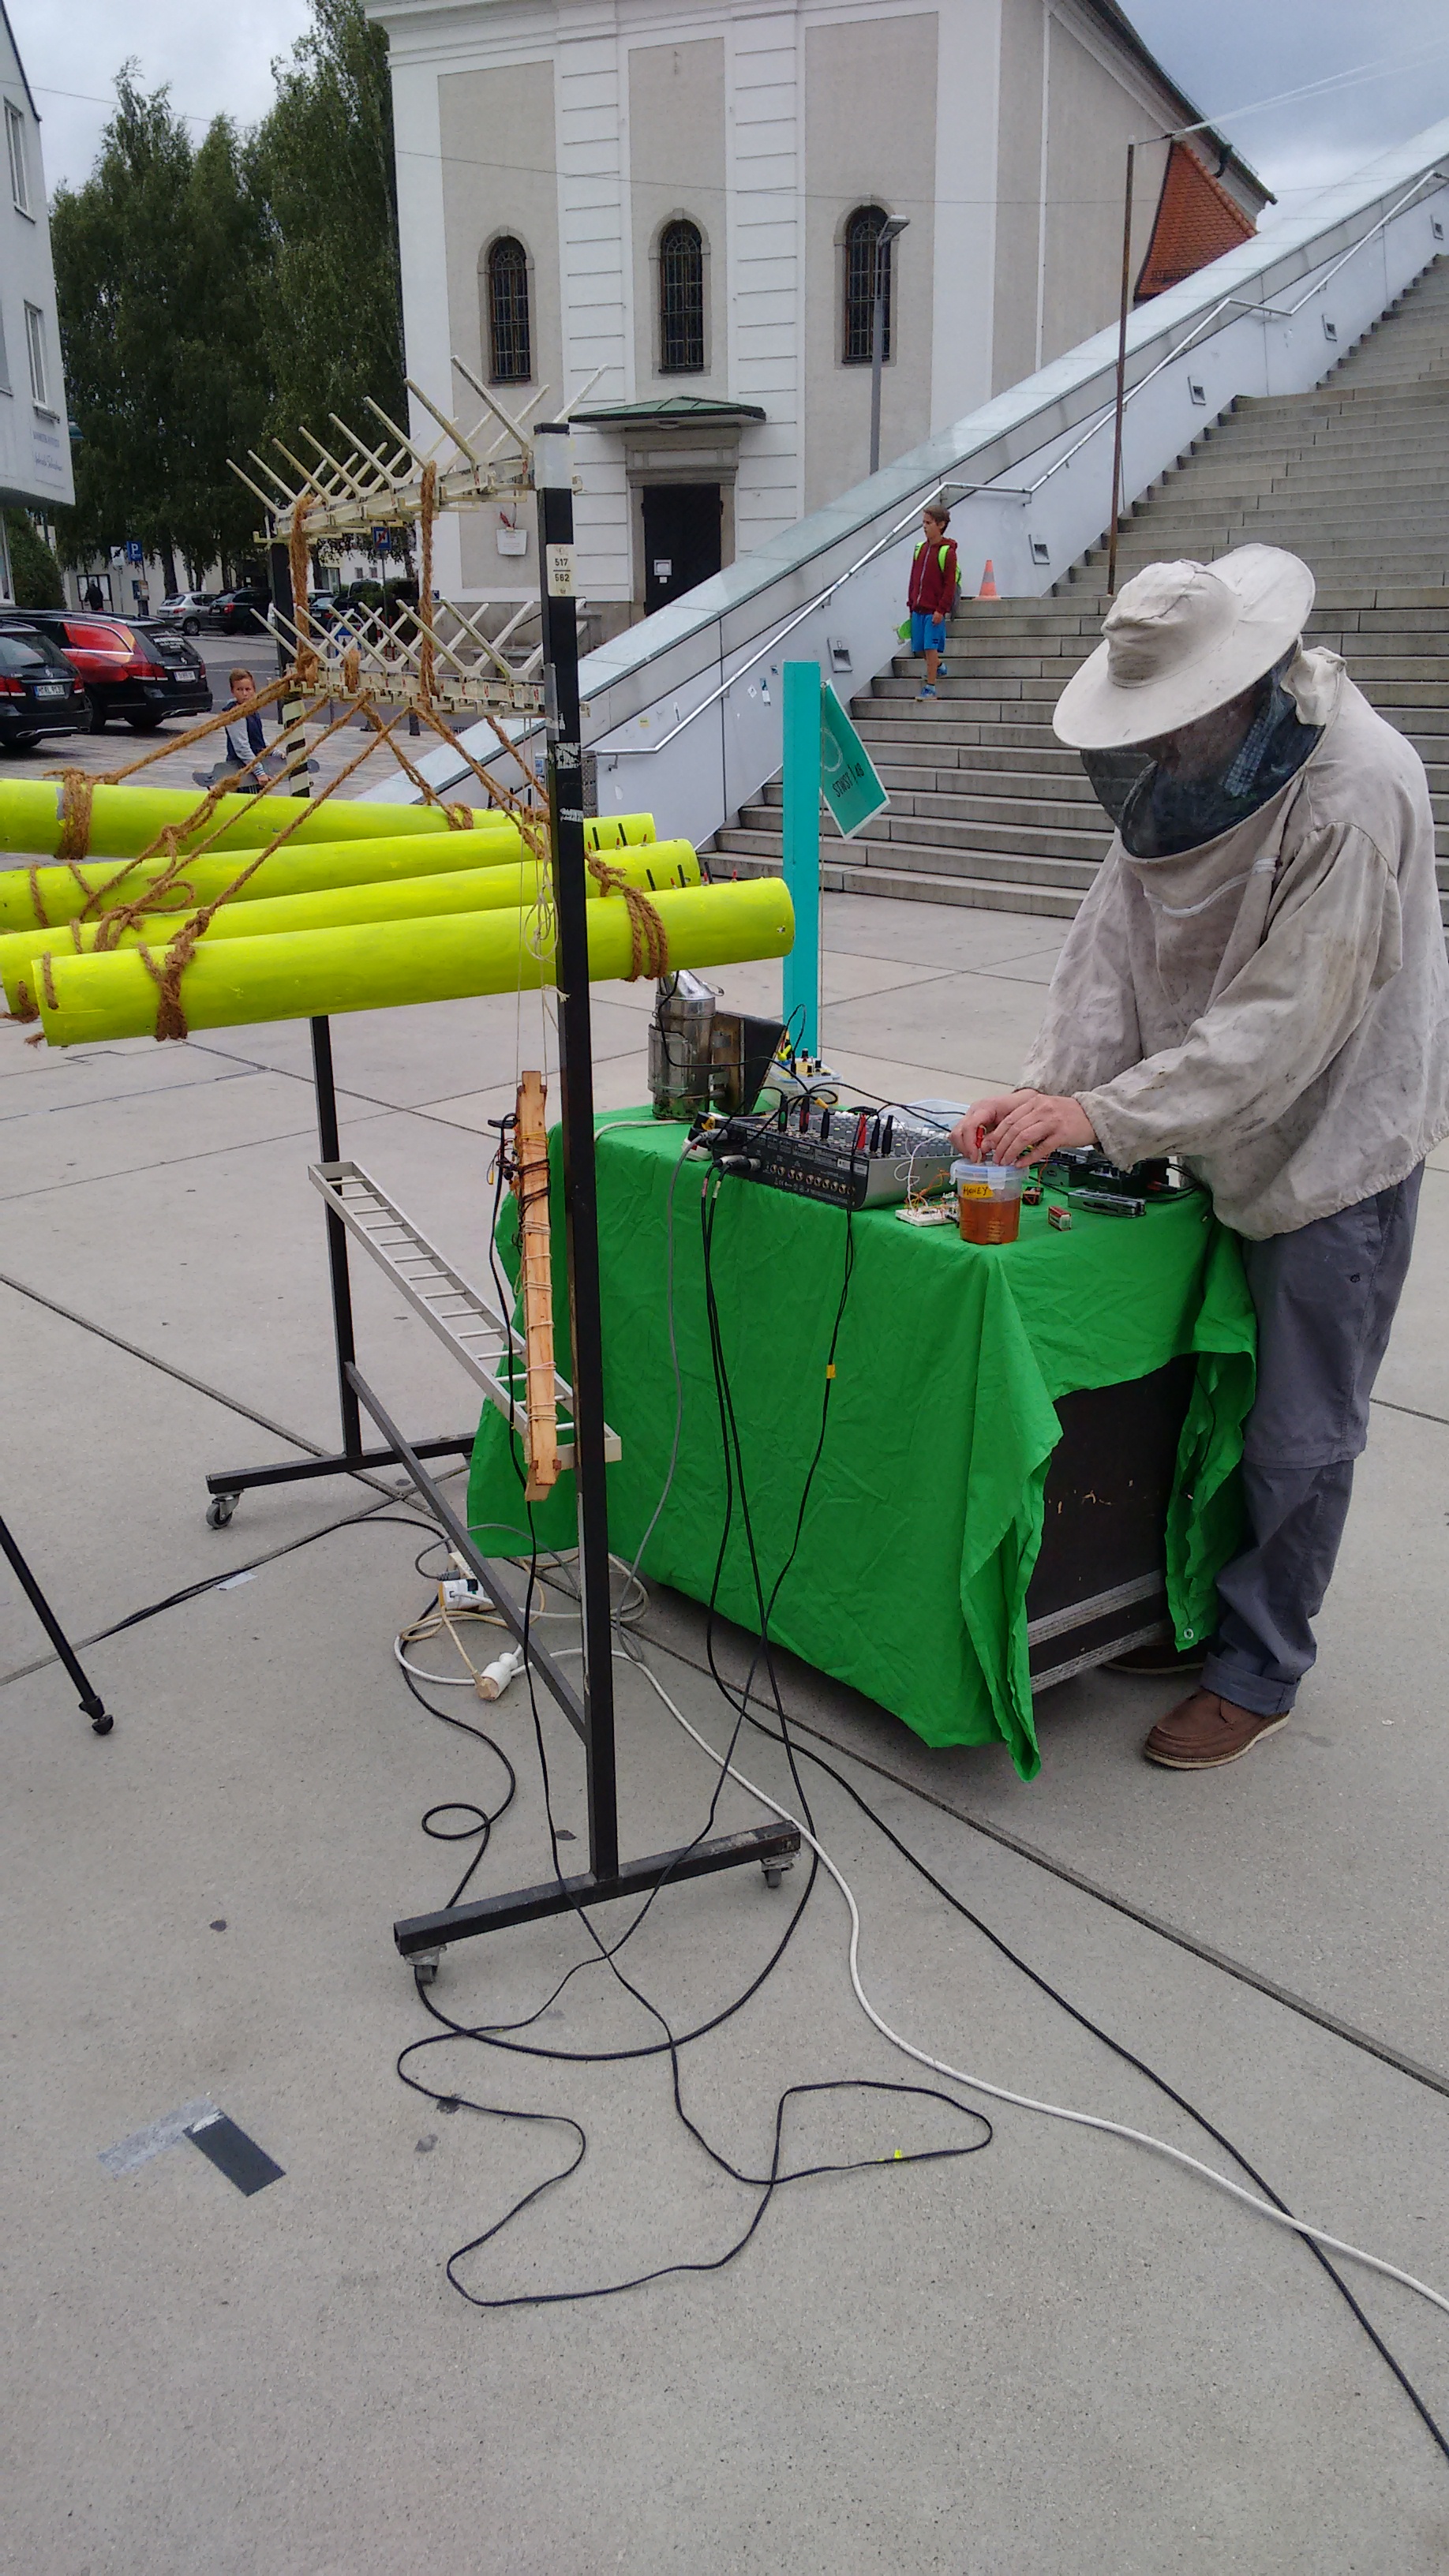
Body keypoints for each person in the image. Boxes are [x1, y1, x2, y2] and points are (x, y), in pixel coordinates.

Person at [954, 545, 1449, 1770]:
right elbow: (1109, 954)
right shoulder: (1181, 783)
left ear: (1243, 692)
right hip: (1198, 1132)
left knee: (1295, 1426)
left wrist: (1102, 1119)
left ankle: (1261, 1664)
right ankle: (1186, 1609)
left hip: (1331, 1148)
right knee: (1192, 1392)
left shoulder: (1356, 793)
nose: (1159, 753)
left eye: (1176, 728)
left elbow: (1282, 1025)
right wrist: (1046, 1092)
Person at [906, 504, 957, 700]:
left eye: (929, 523)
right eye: (924, 523)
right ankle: (938, 666)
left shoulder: (948, 552)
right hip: (918, 609)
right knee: (919, 648)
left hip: (933, 611)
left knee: (930, 647)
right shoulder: (920, 549)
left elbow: (949, 585)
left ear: (941, 525)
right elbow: (914, 579)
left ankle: (931, 688)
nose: (925, 527)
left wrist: (941, 610)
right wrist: (911, 603)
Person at [222, 667, 268, 788]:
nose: (245, 694)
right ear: (233, 691)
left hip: (254, 765)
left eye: (248, 689)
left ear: (254, 690)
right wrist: (259, 772)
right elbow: (242, 747)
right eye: (239, 690)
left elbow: (258, 739)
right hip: (242, 769)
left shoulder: (251, 710)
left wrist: (273, 752)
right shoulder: (236, 714)